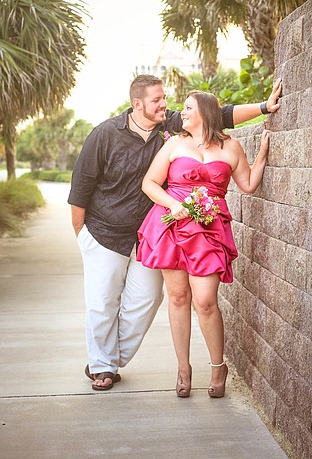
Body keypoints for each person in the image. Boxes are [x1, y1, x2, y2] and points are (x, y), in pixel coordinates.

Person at [68, 74, 282, 391]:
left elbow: (221, 117)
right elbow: (82, 184)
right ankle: (105, 366)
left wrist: (265, 107)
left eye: (167, 100)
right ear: (137, 104)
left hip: (163, 234)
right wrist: (81, 233)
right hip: (110, 232)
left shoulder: (170, 129)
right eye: (158, 100)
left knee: (148, 302)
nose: (167, 105)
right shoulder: (107, 134)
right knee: (104, 302)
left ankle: (112, 358)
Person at [136, 88, 277, 398]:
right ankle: (183, 368)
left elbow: (249, 184)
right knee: (177, 297)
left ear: (205, 112)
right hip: (172, 226)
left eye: (188, 107)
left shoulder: (232, 147)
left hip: (209, 230)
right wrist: (174, 206)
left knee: (206, 302)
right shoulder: (174, 143)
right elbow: (149, 183)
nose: (181, 113)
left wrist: (263, 155)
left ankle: (217, 367)